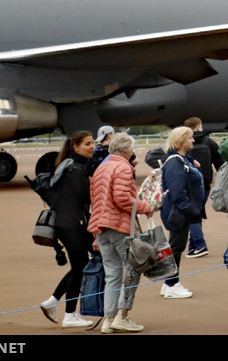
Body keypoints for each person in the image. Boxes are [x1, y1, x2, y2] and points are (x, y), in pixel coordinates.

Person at [86, 132, 150, 333]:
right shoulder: (122, 167)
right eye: (130, 148)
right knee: (133, 269)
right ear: (125, 149)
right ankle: (122, 315)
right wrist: (145, 206)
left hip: (101, 226)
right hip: (119, 226)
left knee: (112, 274)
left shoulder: (101, 167)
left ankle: (108, 319)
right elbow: (122, 199)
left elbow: (96, 200)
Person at [38, 131, 97, 328]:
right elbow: (87, 198)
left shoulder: (67, 165)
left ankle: (54, 302)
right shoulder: (76, 170)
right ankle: (69, 314)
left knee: (80, 265)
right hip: (72, 225)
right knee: (80, 266)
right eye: (88, 143)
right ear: (76, 147)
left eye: (93, 143)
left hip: (67, 223)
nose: (92, 146)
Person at [158, 125, 204, 299]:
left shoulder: (181, 159)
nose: (193, 140)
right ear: (180, 141)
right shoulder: (175, 162)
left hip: (181, 211)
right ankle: (171, 284)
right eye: (190, 137)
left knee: (176, 246)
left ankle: (169, 282)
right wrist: (191, 211)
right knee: (176, 247)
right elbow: (178, 192)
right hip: (178, 212)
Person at [182, 117, 216, 258]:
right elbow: (220, 160)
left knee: (192, 214)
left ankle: (200, 244)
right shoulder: (209, 141)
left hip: (189, 185)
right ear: (198, 126)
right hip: (205, 184)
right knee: (197, 212)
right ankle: (193, 246)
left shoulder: (183, 142)